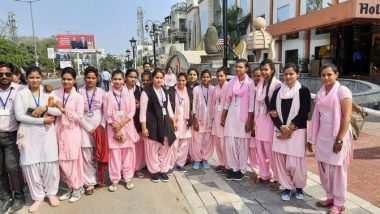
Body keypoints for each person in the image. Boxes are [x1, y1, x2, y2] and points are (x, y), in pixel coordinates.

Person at [307, 64, 353, 214]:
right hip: (322, 135)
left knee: (337, 170)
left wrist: (339, 139)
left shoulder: (342, 91)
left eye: (329, 74)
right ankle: (330, 197)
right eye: (323, 75)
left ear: (336, 75)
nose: (326, 77)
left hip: (337, 135)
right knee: (324, 169)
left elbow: (347, 117)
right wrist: (311, 138)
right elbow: (316, 117)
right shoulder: (320, 92)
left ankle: (339, 203)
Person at [14, 66, 61, 212]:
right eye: (31, 77)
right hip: (29, 133)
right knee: (31, 164)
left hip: (47, 134)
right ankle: (38, 197)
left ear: (42, 78)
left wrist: (46, 108)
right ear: (26, 79)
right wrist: (42, 121)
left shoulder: (48, 92)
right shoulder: (21, 94)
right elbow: (19, 116)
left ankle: (52, 193)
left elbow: (59, 110)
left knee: (50, 163)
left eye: (38, 77)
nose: (35, 80)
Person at [269, 63, 311, 201]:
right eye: (285, 74)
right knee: (281, 161)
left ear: (297, 74)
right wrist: (282, 127)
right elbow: (272, 112)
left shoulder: (303, 91)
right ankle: (287, 187)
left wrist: (290, 128)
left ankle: (299, 187)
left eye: (291, 73)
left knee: (296, 162)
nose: (288, 76)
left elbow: (304, 112)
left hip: (297, 131)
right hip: (280, 130)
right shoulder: (277, 92)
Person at [103, 70, 139, 192]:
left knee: (127, 154)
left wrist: (121, 124)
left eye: (120, 79)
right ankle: (114, 180)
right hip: (113, 129)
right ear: (111, 80)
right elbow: (106, 114)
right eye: (115, 79)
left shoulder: (129, 94)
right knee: (115, 156)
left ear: (124, 80)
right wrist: (114, 125)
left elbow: (132, 112)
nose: (117, 81)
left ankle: (128, 178)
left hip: (127, 127)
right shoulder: (107, 95)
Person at [140, 68, 177, 183]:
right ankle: (154, 171)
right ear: (152, 79)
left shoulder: (164, 91)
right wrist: (144, 128)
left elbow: (168, 107)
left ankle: (163, 170)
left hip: (165, 122)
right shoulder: (146, 92)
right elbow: (142, 111)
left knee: (166, 146)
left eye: (161, 77)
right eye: (157, 77)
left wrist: (173, 121)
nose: (159, 79)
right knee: (152, 148)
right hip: (152, 123)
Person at [55, 67, 85, 203]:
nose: (66, 81)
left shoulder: (78, 97)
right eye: (64, 79)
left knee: (72, 161)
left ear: (74, 81)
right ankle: (70, 187)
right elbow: (51, 105)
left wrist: (65, 111)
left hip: (72, 132)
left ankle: (78, 187)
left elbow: (80, 116)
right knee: (61, 161)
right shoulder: (56, 93)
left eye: (69, 79)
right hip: (58, 130)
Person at [221, 60, 254, 181]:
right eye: (237, 67)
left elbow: (251, 104)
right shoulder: (232, 82)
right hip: (232, 116)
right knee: (230, 143)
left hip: (243, 118)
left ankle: (242, 169)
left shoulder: (250, 83)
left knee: (242, 145)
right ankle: (233, 168)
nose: (238, 69)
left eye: (241, 67)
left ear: (246, 68)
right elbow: (227, 100)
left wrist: (249, 121)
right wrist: (223, 115)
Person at [0, 61, 25, 213]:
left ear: (12, 75)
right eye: (1, 74)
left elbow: (37, 90)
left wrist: (48, 89)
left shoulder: (20, 89)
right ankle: (5, 197)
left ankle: (19, 196)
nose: (4, 77)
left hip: (11, 136)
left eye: (7, 74)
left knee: (12, 167)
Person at [78, 67, 106, 195]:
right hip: (84, 127)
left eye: (93, 78)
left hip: (99, 127)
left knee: (98, 154)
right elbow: (77, 113)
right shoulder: (79, 91)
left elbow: (106, 111)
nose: (90, 80)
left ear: (97, 79)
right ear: (84, 78)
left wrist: (102, 126)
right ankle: (89, 183)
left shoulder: (102, 92)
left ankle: (98, 179)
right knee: (87, 156)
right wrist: (89, 127)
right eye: (88, 77)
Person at [254, 59, 282, 189]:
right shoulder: (260, 84)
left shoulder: (277, 85)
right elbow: (256, 103)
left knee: (271, 151)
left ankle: (277, 178)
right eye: (262, 69)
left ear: (272, 70)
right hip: (260, 120)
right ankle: (265, 175)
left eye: (266, 69)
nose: (264, 72)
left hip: (270, 122)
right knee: (260, 149)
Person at [190, 69, 214, 170]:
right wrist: (195, 120)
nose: (205, 79)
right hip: (199, 119)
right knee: (196, 140)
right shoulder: (196, 89)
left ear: (210, 78)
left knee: (207, 141)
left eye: (207, 77)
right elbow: (194, 105)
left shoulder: (213, 89)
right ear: (200, 78)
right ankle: (197, 159)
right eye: (204, 77)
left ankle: (205, 159)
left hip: (210, 118)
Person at [168, 72, 192, 173]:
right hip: (175, 120)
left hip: (185, 120)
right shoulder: (171, 91)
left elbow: (193, 106)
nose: (181, 82)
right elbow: (168, 106)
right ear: (176, 80)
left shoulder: (189, 91)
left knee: (184, 143)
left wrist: (191, 120)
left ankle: (181, 164)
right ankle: (171, 163)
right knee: (174, 143)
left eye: (183, 80)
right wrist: (172, 120)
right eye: (179, 80)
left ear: (186, 81)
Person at [125, 69, 145, 178]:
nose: (132, 79)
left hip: (137, 121)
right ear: (125, 77)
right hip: (124, 123)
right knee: (126, 148)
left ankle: (137, 168)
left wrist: (139, 105)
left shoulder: (140, 90)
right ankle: (126, 169)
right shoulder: (119, 89)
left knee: (138, 147)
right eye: (130, 76)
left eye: (134, 77)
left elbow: (146, 105)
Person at [211, 67, 229, 174]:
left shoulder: (229, 86)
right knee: (217, 143)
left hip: (224, 119)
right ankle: (221, 163)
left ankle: (227, 164)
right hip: (216, 118)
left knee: (224, 143)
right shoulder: (215, 88)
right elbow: (213, 103)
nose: (219, 78)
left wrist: (225, 117)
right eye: (217, 76)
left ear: (225, 76)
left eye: (221, 76)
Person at [249, 67, 262, 182]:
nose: (257, 78)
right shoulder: (251, 88)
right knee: (252, 147)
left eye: (259, 75)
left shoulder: (266, 89)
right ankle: (255, 170)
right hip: (251, 120)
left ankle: (264, 171)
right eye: (255, 76)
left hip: (263, 123)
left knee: (261, 149)